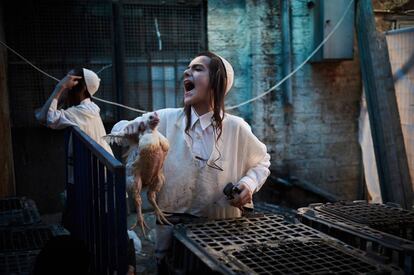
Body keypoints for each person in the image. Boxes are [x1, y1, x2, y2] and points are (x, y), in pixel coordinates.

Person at [111, 52, 271, 270]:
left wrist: (248, 184)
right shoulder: (164, 119)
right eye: (188, 68)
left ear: (217, 82)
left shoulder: (236, 128)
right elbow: (118, 131)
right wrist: (135, 129)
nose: (187, 71)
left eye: (198, 68)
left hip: (222, 230)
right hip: (172, 231)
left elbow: (261, 162)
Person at [36, 68, 113, 155]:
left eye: (69, 80)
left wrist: (60, 88)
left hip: (98, 166)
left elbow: (45, 118)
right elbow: (43, 115)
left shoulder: (83, 111)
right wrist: (63, 93)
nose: (66, 84)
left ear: (83, 87)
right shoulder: (90, 108)